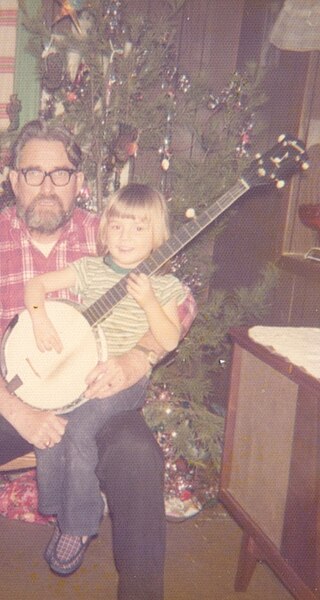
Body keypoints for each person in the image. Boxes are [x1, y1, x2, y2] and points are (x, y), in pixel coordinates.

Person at [0, 119, 197, 599]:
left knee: (135, 455)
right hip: (9, 394)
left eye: (61, 173)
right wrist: (18, 409)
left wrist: (140, 356)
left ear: (80, 183)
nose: (47, 186)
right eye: (32, 172)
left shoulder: (112, 232)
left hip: (93, 387)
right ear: (11, 179)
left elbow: (182, 303)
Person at [23, 182, 187, 576]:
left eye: (138, 228)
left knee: (78, 431)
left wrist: (148, 301)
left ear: (157, 237)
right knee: (51, 426)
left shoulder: (163, 285)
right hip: (82, 373)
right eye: (117, 226)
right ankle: (59, 509)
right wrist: (39, 314)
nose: (125, 237)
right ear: (104, 230)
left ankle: (79, 525)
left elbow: (168, 340)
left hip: (123, 383)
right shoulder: (90, 270)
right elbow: (37, 285)